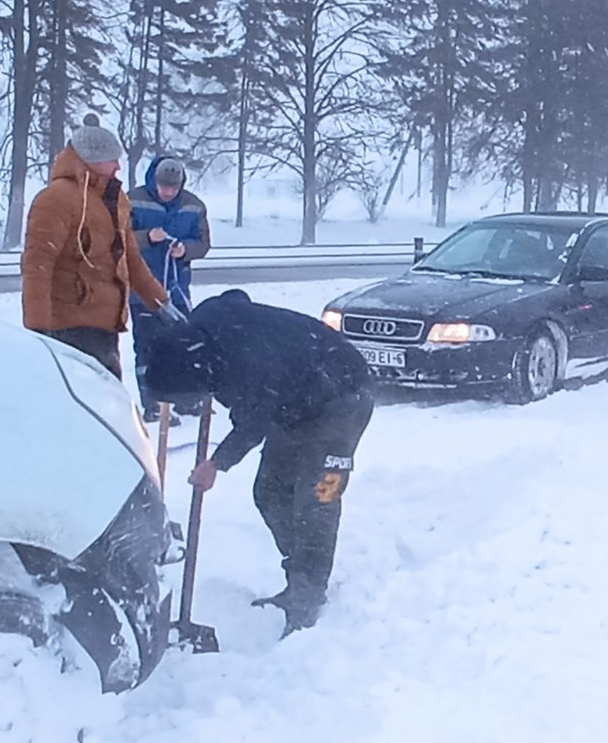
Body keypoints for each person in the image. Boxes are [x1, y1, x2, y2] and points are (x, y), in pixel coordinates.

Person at [142, 290, 375, 635]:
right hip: (292, 400)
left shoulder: (251, 366)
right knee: (270, 492)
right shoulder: (201, 327)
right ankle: (298, 576)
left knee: (318, 500)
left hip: (343, 399)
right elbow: (236, 297)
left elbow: (254, 425)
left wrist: (216, 464)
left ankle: (307, 598)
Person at [20, 114, 178, 377]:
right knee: (79, 406)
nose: (118, 166)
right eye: (112, 159)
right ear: (91, 160)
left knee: (107, 404)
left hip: (106, 326)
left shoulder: (115, 199)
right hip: (67, 327)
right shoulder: (56, 199)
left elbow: (131, 259)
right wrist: (38, 330)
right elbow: (38, 265)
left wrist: (160, 302)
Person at [127, 154, 211, 419]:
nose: (168, 192)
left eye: (173, 188)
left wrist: (185, 249)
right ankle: (152, 405)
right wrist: (147, 238)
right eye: (164, 187)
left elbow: (203, 243)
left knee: (182, 345)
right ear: (154, 180)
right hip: (142, 289)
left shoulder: (194, 206)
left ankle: (185, 400)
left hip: (176, 291)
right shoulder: (133, 200)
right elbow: (119, 238)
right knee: (147, 346)